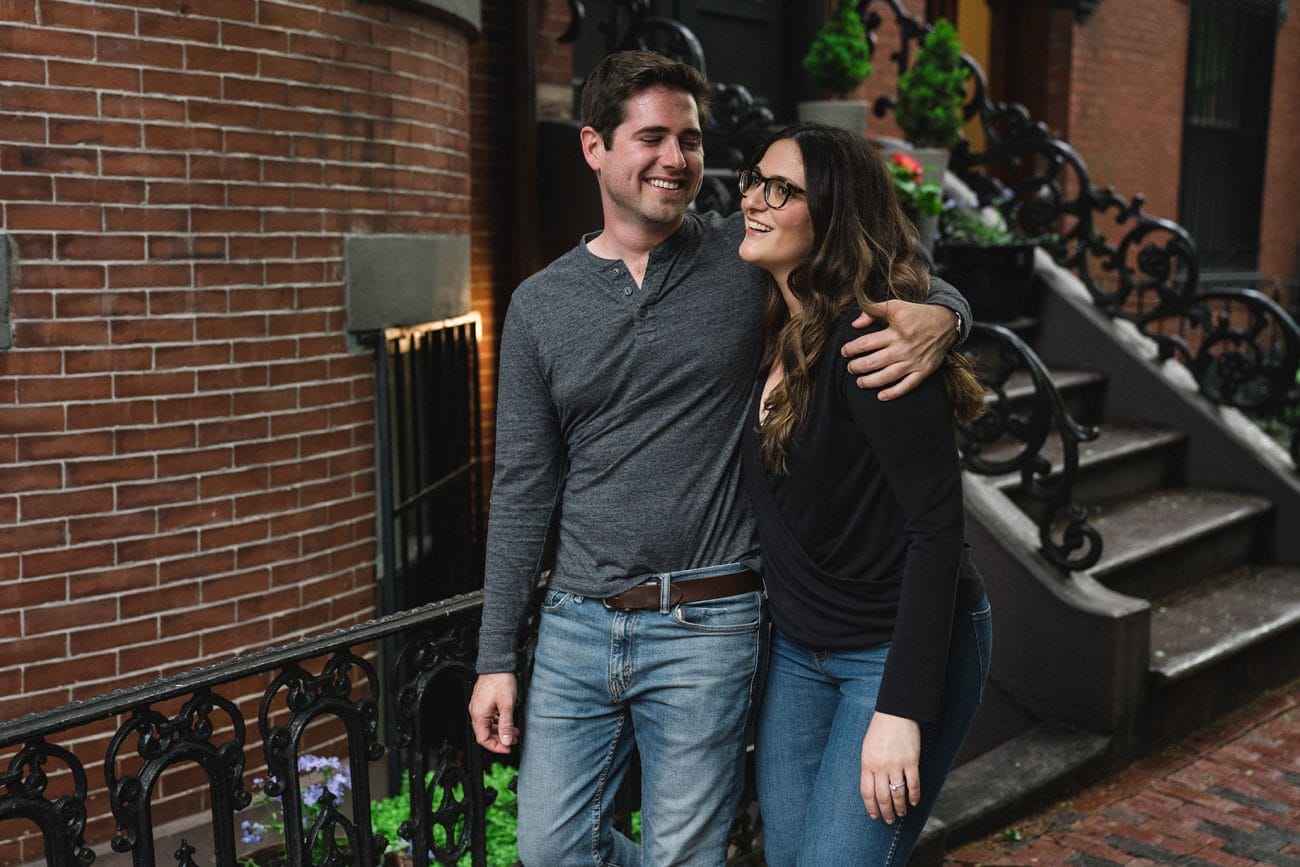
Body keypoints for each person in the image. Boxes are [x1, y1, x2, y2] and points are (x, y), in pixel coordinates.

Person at [467, 51, 973, 866]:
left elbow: (869, 259)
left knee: (688, 854)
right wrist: (496, 655)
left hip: (709, 620)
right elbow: (524, 487)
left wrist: (946, 315)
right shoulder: (536, 306)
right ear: (594, 146)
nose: (676, 159)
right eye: (653, 137)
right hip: (575, 622)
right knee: (552, 849)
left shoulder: (744, 254)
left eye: (692, 140)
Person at [736, 122, 992, 866]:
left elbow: (938, 526)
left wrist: (902, 709)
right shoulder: (768, 321)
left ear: (835, 213)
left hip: (891, 648)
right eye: (754, 178)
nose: (754, 198)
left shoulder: (871, 340)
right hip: (799, 648)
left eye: (781, 189)